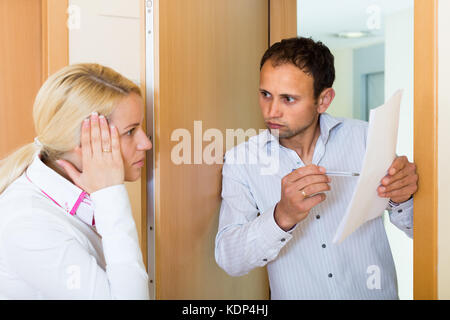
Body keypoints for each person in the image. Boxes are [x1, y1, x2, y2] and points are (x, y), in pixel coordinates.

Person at [215, 37, 418, 299]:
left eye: (288, 99)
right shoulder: (241, 161)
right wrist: (282, 216)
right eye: (265, 94)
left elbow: (422, 232)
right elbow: (229, 259)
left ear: (323, 100)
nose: (271, 111)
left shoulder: (367, 139)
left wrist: (405, 198)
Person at [0, 63, 152, 299]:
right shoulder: (29, 224)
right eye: (131, 131)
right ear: (84, 141)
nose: (146, 143)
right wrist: (110, 195)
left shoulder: (73, 198)